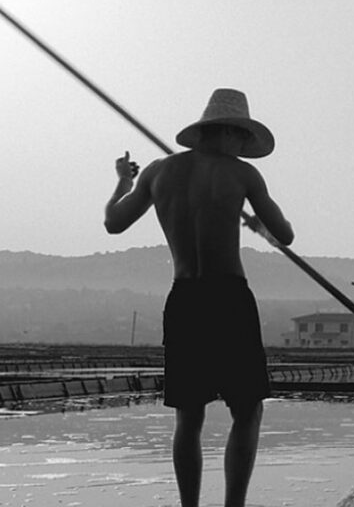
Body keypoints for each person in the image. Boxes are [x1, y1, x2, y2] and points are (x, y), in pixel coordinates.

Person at [103, 88, 294, 507]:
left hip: (185, 299)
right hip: (229, 298)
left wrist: (123, 182)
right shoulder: (242, 175)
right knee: (247, 411)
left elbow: (113, 223)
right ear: (228, 132)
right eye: (241, 139)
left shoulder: (158, 172)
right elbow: (286, 236)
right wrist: (259, 224)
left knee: (189, 417)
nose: (242, 148)